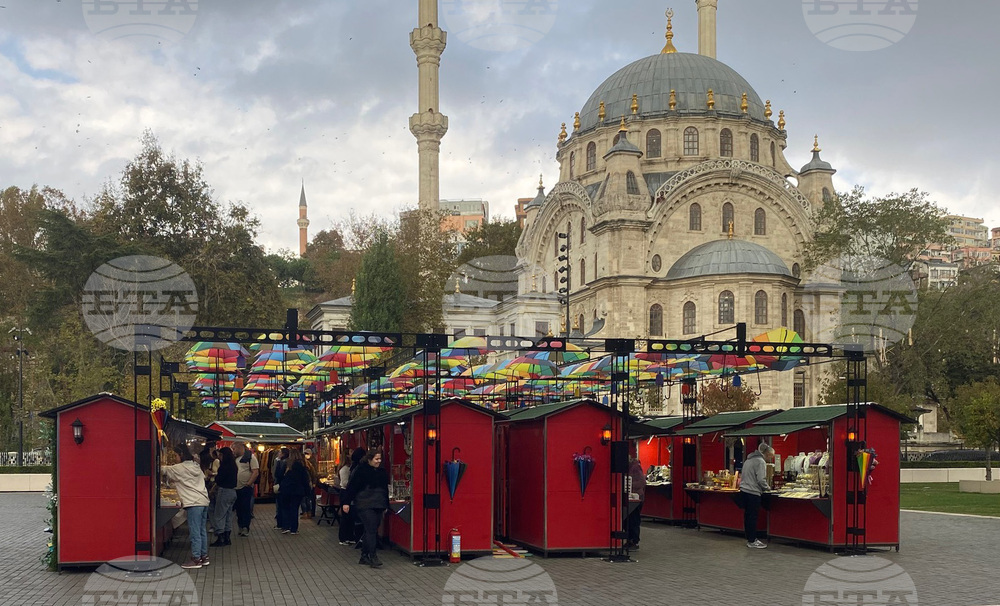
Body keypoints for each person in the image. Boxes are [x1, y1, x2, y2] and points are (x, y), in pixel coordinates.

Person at [162, 443, 210, 569]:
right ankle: (204, 557)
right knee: (201, 531)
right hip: (204, 500)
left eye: (176, 455)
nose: (176, 458)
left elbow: (163, 470)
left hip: (193, 503)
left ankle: (195, 559)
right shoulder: (196, 466)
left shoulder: (179, 468)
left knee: (194, 532)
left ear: (181, 455)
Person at [342, 449, 389, 569]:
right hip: (365, 503)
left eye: (380, 459)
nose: (379, 461)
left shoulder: (382, 472)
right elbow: (352, 487)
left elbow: (385, 489)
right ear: (370, 459)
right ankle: (373, 556)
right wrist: (346, 502)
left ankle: (364, 555)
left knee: (371, 529)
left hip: (378, 503)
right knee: (371, 529)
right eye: (376, 459)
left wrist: (385, 505)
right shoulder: (361, 471)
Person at [741, 442, 773, 549]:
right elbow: (760, 479)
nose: (770, 459)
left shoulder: (748, 460)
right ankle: (752, 540)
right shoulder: (760, 462)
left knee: (747, 516)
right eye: (770, 456)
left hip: (744, 491)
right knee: (753, 517)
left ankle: (749, 538)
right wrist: (768, 488)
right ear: (766, 453)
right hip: (753, 492)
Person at [275, 449, 311, 535]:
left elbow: (278, 475)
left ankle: (286, 526)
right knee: (294, 509)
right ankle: (294, 529)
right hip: (297, 491)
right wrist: (307, 491)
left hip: (286, 489)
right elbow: (305, 479)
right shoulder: (302, 465)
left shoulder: (286, 464)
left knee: (285, 508)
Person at [337, 447, 366, 546]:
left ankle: (349, 537)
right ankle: (343, 538)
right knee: (346, 517)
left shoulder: (351, 468)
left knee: (349, 517)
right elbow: (345, 483)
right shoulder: (345, 469)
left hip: (347, 493)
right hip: (345, 492)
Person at [210, 447, 238, 547]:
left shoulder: (224, 467)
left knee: (219, 515)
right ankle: (227, 537)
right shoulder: (234, 466)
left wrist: (215, 476)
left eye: (221, 455)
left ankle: (220, 537)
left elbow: (219, 479)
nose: (219, 457)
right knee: (228, 515)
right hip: (232, 492)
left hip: (224, 491)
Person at [232, 442, 259, 537]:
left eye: (234, 448)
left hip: (245, 487)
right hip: (236, 487)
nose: (233, 451)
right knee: (238, 508)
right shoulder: (235, 458)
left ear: (239, 448)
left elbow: (255, 472)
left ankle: (245, 527)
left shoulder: (251, 457)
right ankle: (240, 525)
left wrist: (249, 483)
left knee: (245, 507)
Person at [625, 451, 646, 550]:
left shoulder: (635, 467)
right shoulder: (630, 467)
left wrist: (628, 486)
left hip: (637, 498)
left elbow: (642, 482)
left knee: (634, 520)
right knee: (628, 520)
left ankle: (634, 541)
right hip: (630, 497)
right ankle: (629, 540)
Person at [273, 447, 290, 530]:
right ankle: (286, 524)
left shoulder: (281, 462)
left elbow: (277, 474)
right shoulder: (289, 462)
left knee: (280, 506)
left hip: (281, 486)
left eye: (280, 452)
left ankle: (281, 524)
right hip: (286, 486)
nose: (278, 454)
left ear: (283, 454)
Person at [301, 448, 319, 519]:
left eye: (307, 453)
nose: (306, 455)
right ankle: (308, 512)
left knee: (308, 498)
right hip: (308, 482)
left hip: (309, 482)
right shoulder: (305, 462)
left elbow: (314, 473)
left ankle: (309, 512)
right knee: (307, 498)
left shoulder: (311, 463)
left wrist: (314, 482)